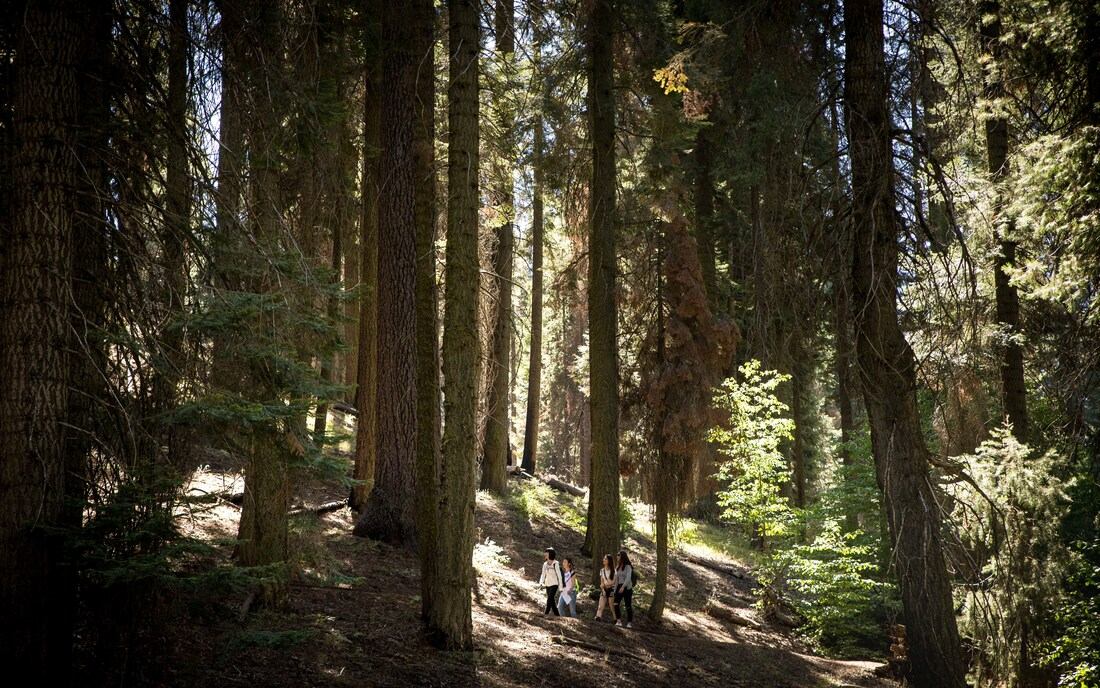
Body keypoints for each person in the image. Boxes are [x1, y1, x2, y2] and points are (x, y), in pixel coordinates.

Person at [538, 547, 563, 615]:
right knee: (552, 601)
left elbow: (559, 576)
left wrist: (560, 587)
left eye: (546, 553)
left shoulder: (556, 564)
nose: (545, 554)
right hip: (547, 584)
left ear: (550, 554)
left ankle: (545, 613)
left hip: (554, 584)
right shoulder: (545, 564)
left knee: (549, 599)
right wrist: (540, 583)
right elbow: (543, 574)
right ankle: (557, 615)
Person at [613, 549, 634, 628]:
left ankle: (629, 622)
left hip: (627, 587)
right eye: (617, 555)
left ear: (622, 556)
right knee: (616, 603)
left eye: (619, 555)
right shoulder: (617, 567)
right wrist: (615, 590)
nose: (617, 556)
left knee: (628, 605)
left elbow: (628, 578)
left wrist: (623, 587)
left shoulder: (628, 567)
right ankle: (618, 621)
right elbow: (616, 580)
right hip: (619, 586)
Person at [594, 554, 617, 623]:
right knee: (600, 606)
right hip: (604, 589)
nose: (603, 560)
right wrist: (603, 589)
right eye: (604, 559)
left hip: (611, 590)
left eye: (605, 559)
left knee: (611, 605)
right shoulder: (602, 571)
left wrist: (607, 585)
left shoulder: (613, 571)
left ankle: (616, 619)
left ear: (609, 561)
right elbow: (601, 582)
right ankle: (598, 617)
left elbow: (613, 582)